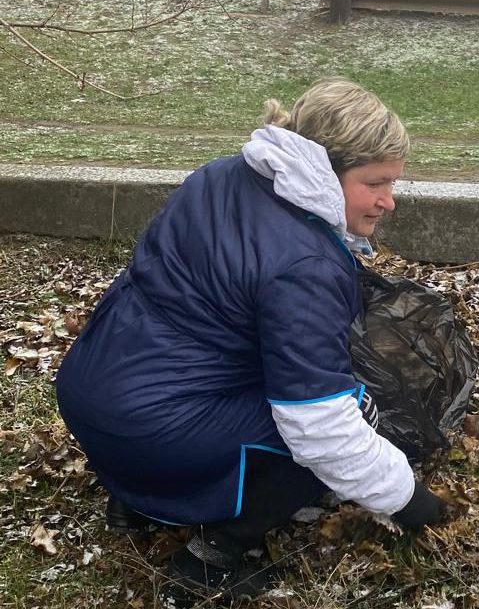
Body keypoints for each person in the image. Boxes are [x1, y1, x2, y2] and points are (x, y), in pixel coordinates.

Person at [55, 78, 449, 603]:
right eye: (375, 183)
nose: (388, 202)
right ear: (326, 171)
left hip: (91, 389)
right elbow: (324, 433)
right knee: (339, 415)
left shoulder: (222, 174)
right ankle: (211, 559)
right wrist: (411, 501)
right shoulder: (305, 263)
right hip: (152, 430)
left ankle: (137, 501)